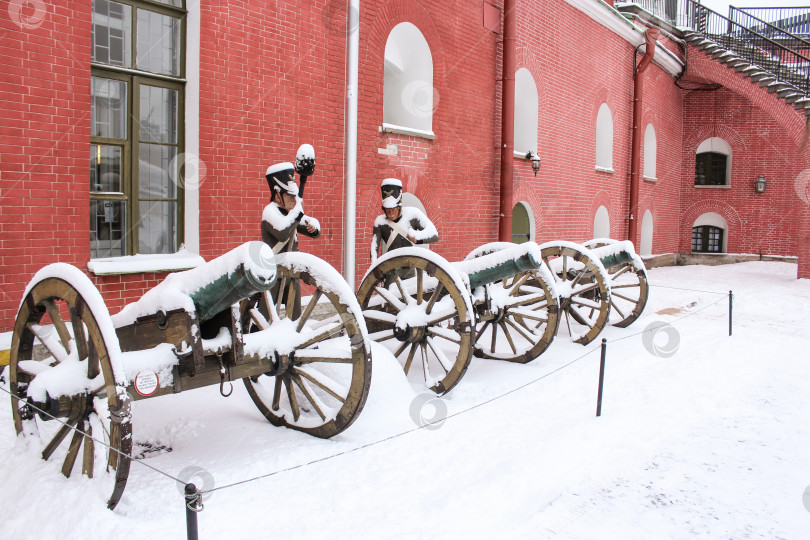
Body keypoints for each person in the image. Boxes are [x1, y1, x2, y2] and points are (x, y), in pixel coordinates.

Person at [261, 162, 320, 318]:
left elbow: (314, 232)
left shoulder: (291, 214)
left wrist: (313, 228)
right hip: (273, 272)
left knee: (294, 316)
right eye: (290, 195)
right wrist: (296, 214)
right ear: (277, 193)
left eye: (295, 196)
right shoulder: (270, 212)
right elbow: (281, 232)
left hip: (291, 272)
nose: (294, 199)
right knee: (265, 315)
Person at [370, 178, 438, 263]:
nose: (391, 214)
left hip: (409, 266)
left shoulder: (413, 213)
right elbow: (374, 248)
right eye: (388, 211)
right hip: (391, 267)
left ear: (399, 207)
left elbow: (434, 234)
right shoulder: (380, 222)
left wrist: (417, 238)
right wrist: (375, 267)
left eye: (393, 210)